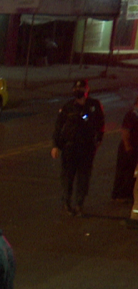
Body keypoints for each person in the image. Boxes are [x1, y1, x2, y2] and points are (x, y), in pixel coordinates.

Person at [51, 79, 104, 218]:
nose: (78, 91)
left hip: (86, 148)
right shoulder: (68, 107)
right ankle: (67, 203)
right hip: (70, 147)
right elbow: (58, 127)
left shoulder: (94, 106)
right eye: (76, 89)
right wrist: (55, 146)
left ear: (87, 90)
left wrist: (98, 140)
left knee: (83, 178)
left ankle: (79, 204)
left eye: (81, 88)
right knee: (68, 177)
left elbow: (100, 124)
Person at [111, 96, 138, 202]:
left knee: (131, 173)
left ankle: (127, 193)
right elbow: (125, 131)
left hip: (134, 147)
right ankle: (120, 194)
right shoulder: (131, 115)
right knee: (125, 172)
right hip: (128, 148)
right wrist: (128, 147)